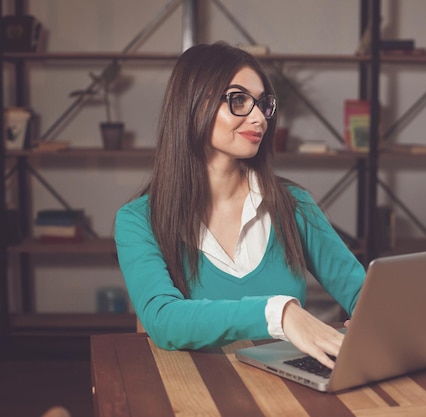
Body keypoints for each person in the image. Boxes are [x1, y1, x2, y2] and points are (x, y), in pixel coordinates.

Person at [114, 42, 365, 369]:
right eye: (239, 100)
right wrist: (280, 314)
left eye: (262, 104)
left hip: (289, 393)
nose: (259, 117)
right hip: (193, 394)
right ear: (193, 106)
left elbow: (363, 292)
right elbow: (163, 319)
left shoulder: (293, 205)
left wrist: (371, 319)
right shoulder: (138, 221)